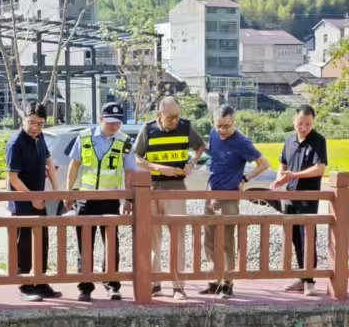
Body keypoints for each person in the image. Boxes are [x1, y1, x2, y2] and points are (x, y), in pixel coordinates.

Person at [134, 95, 206, 297]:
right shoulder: (147, 129)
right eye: (170, 117)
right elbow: (136, 157)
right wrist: (157, 167)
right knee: (153, 239)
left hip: (176, 188)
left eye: (177, 116)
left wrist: (192, 163)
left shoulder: (185, 127)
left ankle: (178, 286)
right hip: (152, 188)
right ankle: (155, 284)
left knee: (178, 238)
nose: (175, 121)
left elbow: (201, 146)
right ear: (160, 114)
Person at [65, 101, 136, 300]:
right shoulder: (84, 137)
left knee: (111, 244)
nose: (114, 126)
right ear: (101, 119)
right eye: (110, 122)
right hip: (86, 199)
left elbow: (129, 172)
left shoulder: (125, 141)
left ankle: (112, 284)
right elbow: (74, 165)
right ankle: (85, 287)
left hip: (110, 199)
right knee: (85, 245)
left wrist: (128, 199)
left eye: (118, 122)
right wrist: (69, 192)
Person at [201, 105, 269, 297]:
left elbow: (264, 163)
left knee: (226, 242)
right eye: (219, 126)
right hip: (211, 193)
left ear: (234, 122)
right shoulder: (213, 135)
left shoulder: (242, 142)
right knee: (209, 239)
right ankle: (214, 280)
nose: (222, 130)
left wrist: (245, 179)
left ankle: (228, 283)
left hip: (229, 196)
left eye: (227, 126)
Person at [272, 104, 331, 294]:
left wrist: (294, 175)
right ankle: (301, 277)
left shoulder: (318, 140)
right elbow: (283, 164)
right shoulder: (289, 141)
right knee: (295, 237)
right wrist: (279, 179)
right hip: (290, 197)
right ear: (294, 121)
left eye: (308, 124)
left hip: (308, 197)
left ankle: (310, 281)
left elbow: (320, 169)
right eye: (300, 123)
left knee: (308, 237)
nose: (304, 127)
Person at [6, 102, 61, 301]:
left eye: (40, 123)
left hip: (40, 199)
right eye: (31, 122)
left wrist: (56, 190)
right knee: (25, 245)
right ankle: (25, 285)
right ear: (24, 119)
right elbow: (13, 178)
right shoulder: (16, 143)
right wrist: (32, 197)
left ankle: (41, 281)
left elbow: (48, 161)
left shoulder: (40, 137)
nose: (35, 127)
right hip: (22, 202)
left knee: (42, 241)